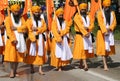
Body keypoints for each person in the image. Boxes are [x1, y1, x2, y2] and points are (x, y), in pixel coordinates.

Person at [4, 4, 27, 78]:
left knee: (18, 57)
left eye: (18, 11)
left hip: (20, 40)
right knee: (12, 57)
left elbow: (25, 27)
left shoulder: (21, 18)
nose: (16, 13)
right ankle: (11, 71)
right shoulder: (8, 19)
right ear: (12, 11)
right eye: (15, 12)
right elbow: (8, 30)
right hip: (12, 41)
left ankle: (15, 70)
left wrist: (17, 28)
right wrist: (13, 39)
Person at [24, 5, 47, 75]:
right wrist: (32, 38)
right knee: (31, 54)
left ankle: (40, 69)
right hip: (31, 40)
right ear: (33, 13)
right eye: (35, 12)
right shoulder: (29, 20)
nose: (37, 14)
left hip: (40, 39)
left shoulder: (42, 20)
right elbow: (29, 30)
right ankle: (32, 67)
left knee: (40, 54)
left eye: (38, 12)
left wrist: (37, 29)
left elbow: (45, 28)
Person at [73, 3, 94, 71]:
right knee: (83, 50)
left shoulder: (89, 16)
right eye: (81, 9)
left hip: (87, 34)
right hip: (80, 36)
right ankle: (86, 65)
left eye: (84, 9)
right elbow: (80, 26)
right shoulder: (77, 16)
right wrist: (85, 33)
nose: (83, 11)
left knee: (85, 50)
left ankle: (80, 64)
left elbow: (92, 24)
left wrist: (88, 28)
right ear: (79, 9)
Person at [96, 0, 116, 71]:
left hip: (110, 32)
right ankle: (105, 65)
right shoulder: (99, 13)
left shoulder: (112, 13)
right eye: (106, 6)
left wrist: (110, 28)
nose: (107, 8)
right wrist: (105, 31)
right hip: (102, 33)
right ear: (103, 6)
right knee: (103, 49)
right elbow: (100, 23)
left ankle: (106, 61)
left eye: (108, 6)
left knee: (108, 50)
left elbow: (114, 22)